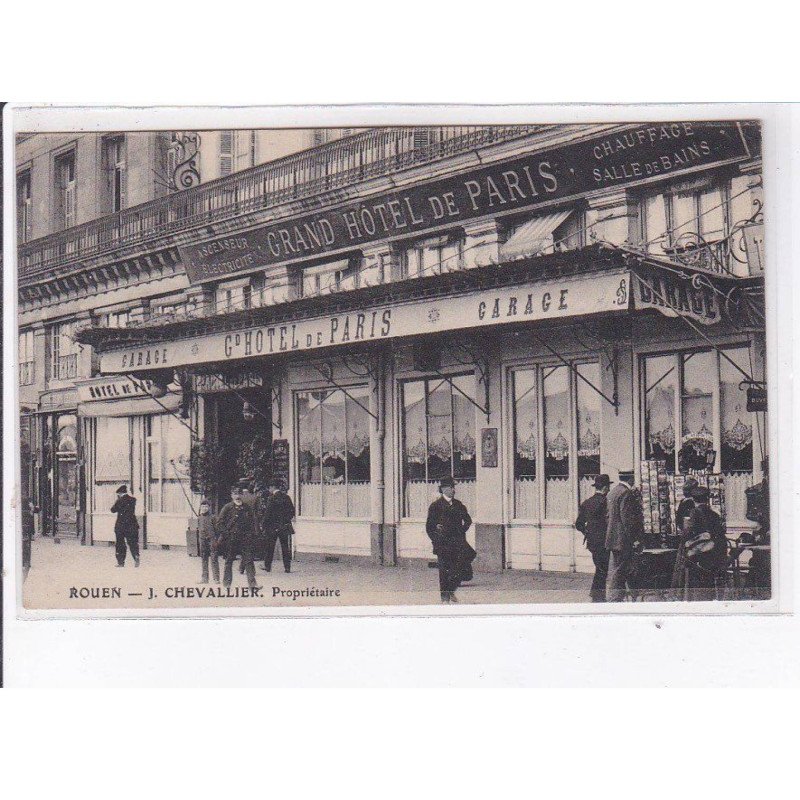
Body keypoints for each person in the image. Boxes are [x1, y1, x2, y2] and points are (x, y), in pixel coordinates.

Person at [425, 476, 474, 603]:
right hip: (443, 544)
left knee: (458, 568)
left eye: (454, 487)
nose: (454, 490)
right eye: (452, 487)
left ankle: (451, 589)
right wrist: (436, 539)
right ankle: (445, 598)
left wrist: (461, 531)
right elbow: (429, 527)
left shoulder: (458, 504)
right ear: (444, 489)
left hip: (458, 544)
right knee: (444, 571)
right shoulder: (435, 506)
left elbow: (468, 520)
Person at [683, 485, 728, 600]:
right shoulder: (714, 514)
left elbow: (688, 532)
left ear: (693, 499)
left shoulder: (694, 513)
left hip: (700, 554)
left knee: (696, 577)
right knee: (709, 578)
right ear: (707, 499)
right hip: (715, 553)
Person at [605, 469, 644, 602]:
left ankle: (626, 596)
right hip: (623, 540)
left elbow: (608, 516)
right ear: (631, 478)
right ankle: (614, 598)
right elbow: (627, 519)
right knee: (621, 570)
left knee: (620, 568)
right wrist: (634, 539)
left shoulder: (612, 492)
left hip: (613, 539)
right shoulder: (626, 493)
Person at [575, 474, 611, 602]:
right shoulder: (606, 502)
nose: (609, 489)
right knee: (602, 569)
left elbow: (578, 524)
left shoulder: (587, 503)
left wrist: (588, 532)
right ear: (605, 488)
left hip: (592, 543)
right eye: (608, 487)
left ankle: (597, 596)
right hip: (604, 541)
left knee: (600, 568)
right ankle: (598, 597)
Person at [217, 485, 259, 589]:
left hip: (245, 539)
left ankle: (253, 585)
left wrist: (251, 534)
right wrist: (227, 534)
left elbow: (252, 522)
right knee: (229, 561)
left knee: (249, 560)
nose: (237, 496)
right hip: (231, 539)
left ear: (242, 495)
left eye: (239, 494)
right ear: (232, 495)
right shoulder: (227, 508)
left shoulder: (247, 508)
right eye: (235, 494)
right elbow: (219, 523)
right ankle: (227, 584)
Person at [670, 476, 699, 591]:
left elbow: (678, 521)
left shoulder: (682, 502)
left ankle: (682, 586)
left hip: (684, 536)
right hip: (692, 537)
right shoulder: (691, 504)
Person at [262, 478, 295, 573]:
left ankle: (267, 566)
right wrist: (286, 520)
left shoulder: (271, 498)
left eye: (270, 487)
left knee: (270, 547)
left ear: (272, 487)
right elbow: (292, 511)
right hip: (284, 526)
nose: (269, 490)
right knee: (285, 547)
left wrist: (263, 525)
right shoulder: (286, 497)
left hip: (273, 527)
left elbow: (268, 514)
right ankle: (287, 567)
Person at [111, 484, 140, 568]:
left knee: (120, 544)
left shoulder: (119, 501)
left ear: (120, 493)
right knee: (133, 543)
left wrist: (117, 500)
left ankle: (121, 562)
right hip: (132, 525)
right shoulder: (133, 500)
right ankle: (136, 556)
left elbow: (112, 510)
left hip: (121, 526)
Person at [194, 498, 220, 584]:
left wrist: (215, 540)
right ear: (200, 507)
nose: (204, 508)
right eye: (203, 506)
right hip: (202, 540)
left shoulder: (213, 517)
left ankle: (216, 578)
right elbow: (199, 529)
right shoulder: (200, 517)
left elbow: (217, 530)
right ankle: (204, 579)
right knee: (204, 559)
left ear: (209, 507)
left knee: (214, 558)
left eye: (206, 506)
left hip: (212, 540)